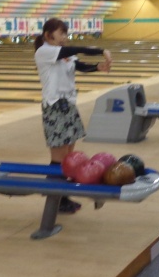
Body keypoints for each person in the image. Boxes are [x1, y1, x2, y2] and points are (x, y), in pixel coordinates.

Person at [34, 18, 112, 214]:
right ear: (48, 35)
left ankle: (63, 196)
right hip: (55, 107)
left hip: (68, 105)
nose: (64, 37)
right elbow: (74, 50)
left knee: (69, 157)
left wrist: (97, 67)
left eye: (65, 34)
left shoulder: (64, 54)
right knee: (59, 158)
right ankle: (55, 199)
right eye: (61, 33)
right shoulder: (44, 52)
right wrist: (100, 50)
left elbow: (80, 65)